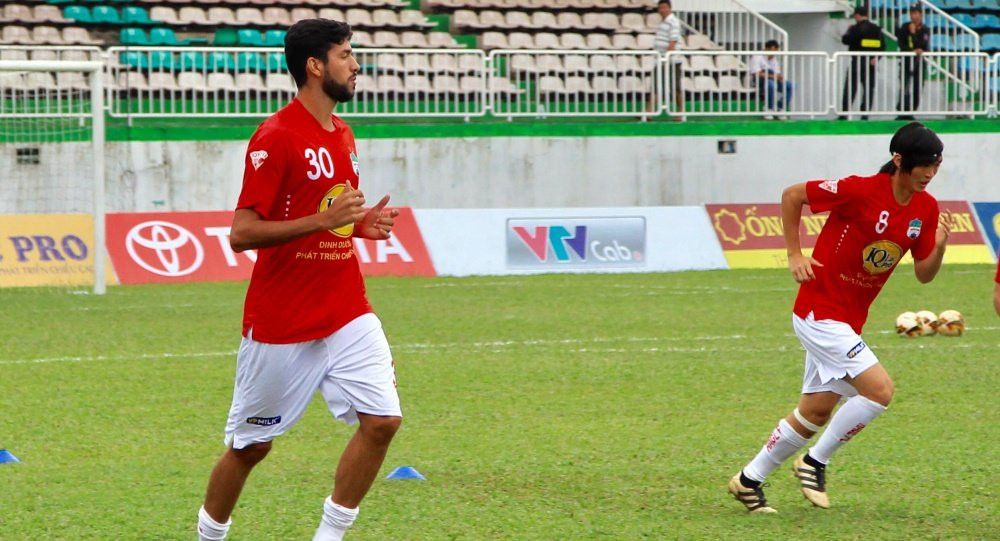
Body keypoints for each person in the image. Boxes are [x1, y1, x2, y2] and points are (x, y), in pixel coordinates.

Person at [196, 18, 403, 541]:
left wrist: (359, 225)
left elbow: (328, 216)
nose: (356, 65)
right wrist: (324, 220)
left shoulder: (344, 133)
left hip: (346, 307)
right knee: (251, 448)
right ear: (315, 66)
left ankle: (328, 536)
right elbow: (242, 233)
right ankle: (208, 536)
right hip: (283, 319)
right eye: (345, 55)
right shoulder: (275, 136)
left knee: (382, 422)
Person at [728, 122, 949, 513]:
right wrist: (794, 254)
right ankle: (814, 463)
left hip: (848, 320)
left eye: (936, 165)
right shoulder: (859, 190)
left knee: (815, 411)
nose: (930, 173)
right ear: (899, 160)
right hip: (820, 311)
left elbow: (924, 274)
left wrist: (941, 247)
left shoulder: (926, 208)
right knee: (879, 391)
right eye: (924, 165)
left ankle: (748, 481)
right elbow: (793, 195)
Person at [841, 7, 885, 119]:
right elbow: (882, 46)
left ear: (857, 15)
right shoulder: (876, 29)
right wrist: (876, 58)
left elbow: (845, 40)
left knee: (850, 88)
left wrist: (848, 31)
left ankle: (844, 113)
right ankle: (865, 115)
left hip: (857, 61)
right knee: (868, 89)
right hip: (871, 63)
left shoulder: (854, 28)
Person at [650, 0, 684, 120]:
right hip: (660, 59)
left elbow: (673, 41)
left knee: (675, 86)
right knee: (655, 85)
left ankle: (680, 112)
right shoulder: (662, 22)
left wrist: (667, 56)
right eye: (660, 8)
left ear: (670, 8)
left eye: (665, 7)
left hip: (671, 60)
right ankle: (649, 111)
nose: (662, 10)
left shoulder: (673, 22)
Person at [895, 5, 930, 120]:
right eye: (911, 13)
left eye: (915, 13)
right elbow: (901, 44)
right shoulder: (905, 27)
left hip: (919, 62)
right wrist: (911, 51)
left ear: (921, 14)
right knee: (905, 86)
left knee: (918, 87)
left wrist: (914, 33)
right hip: (906, 61)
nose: (913, 16)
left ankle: (911, 110)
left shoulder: (925, 29)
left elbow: (922, 45)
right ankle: (902, 111)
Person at [749, 39, 793, 120]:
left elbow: (777, 72)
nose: (773, 53)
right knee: (770, 84)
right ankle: (769, 108)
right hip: (759, 80)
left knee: (790, 85)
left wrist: (780, 77)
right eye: (772, 51)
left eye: (775, 51)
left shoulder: (774, 59)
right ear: (766, 48)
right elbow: (756, 73)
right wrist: (773, 76)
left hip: (772, 79)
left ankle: (780, 108)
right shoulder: (757, 56)